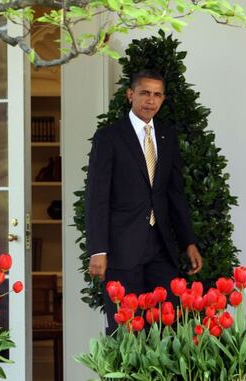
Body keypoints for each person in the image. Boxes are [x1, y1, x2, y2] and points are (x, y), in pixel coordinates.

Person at [85, 69, 202, 333]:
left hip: (161, 247)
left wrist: (188, 242)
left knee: (168, 328)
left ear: (163, 99)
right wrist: (97, 250)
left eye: (157, 95)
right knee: (126, 329)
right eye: (145, 93)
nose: (151, 100)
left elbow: (175, 192)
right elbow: (96, 197)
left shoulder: (167, 135)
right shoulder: (109, 137)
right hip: (121, 249)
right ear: (130, 95)